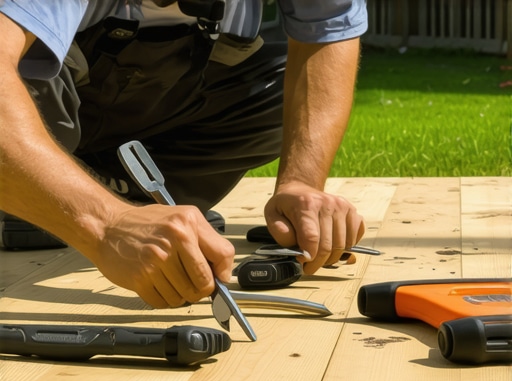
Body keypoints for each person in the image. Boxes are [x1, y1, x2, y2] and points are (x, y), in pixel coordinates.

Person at [0, 0, 367, 309]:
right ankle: (39, 194)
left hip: (164, 115)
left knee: (276, 92)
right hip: (44, 107)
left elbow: (328, 30)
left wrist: (301, 182)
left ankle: (127, 204)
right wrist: (104, 224)